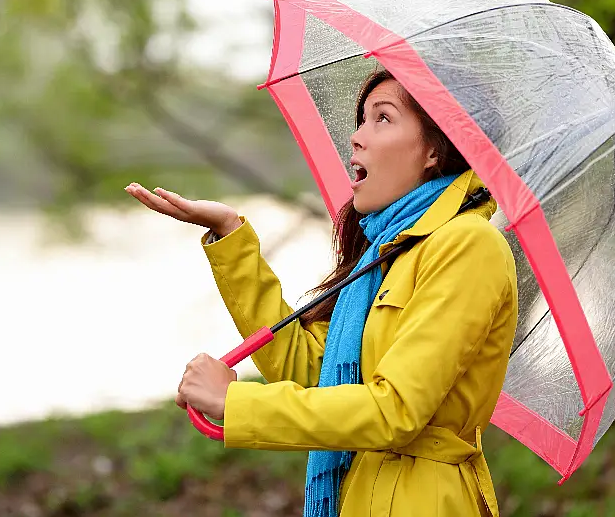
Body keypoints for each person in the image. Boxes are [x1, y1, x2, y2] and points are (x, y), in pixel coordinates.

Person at [124, 67, 518, 517]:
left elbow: (395, 411)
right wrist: (229, 235)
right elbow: (315, 373)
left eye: (383, 119)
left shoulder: (467, 245)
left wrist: (236, 402)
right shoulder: (390, 254)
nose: (357, 137)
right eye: (362, 119)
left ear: (434, 149)